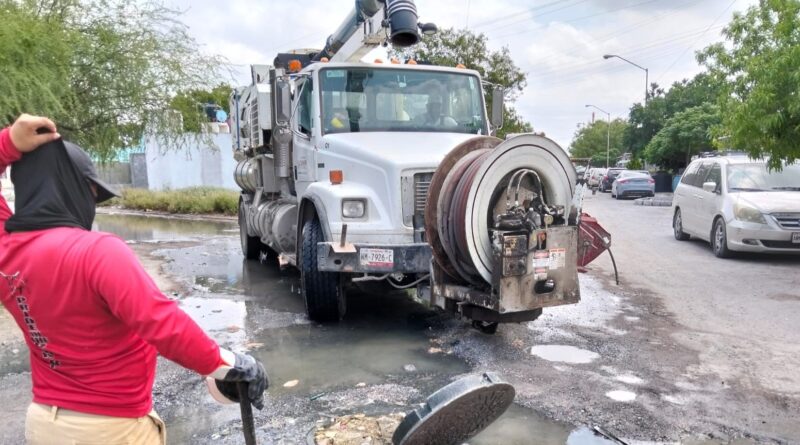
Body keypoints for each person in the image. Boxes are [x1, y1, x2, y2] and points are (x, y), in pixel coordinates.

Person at [0, 114, 268, 445]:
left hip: (43, 424)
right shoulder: (96, 252)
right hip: (108, 430)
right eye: (91, 194)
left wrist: (8, 144)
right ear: (70, 188)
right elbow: (162, 324)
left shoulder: (6, 251)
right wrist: (231, 364)